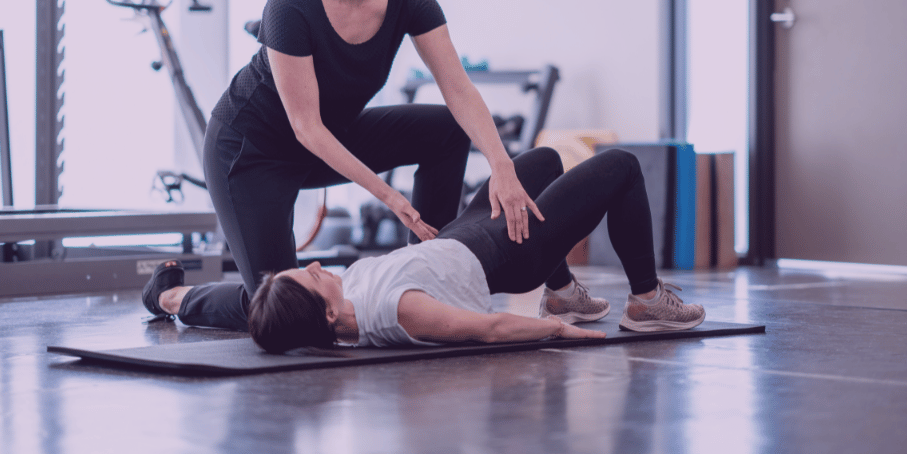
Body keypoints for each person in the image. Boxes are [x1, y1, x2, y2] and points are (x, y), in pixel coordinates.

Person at [141, 0, 607, 331]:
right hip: (251, 151)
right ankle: (171, 296)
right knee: (283, 302)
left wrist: (501, 165)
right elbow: (306, 128)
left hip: (331, 135)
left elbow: (458, 89)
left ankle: (424, 274)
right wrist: (389, 197)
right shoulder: (291, 3)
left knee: (446, 129)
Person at [244, 147, 706, 352]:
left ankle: (564, 293)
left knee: (542, 161)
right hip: (512, 253)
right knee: (622, 167)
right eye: (309, 275)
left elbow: (273, 319)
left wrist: (178, 298)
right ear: (325, 314)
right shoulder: (393, 310)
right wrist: (555, 333)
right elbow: (488, 329)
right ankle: (647, 301)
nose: (318, 264)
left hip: (461, 233)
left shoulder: (332, 305)